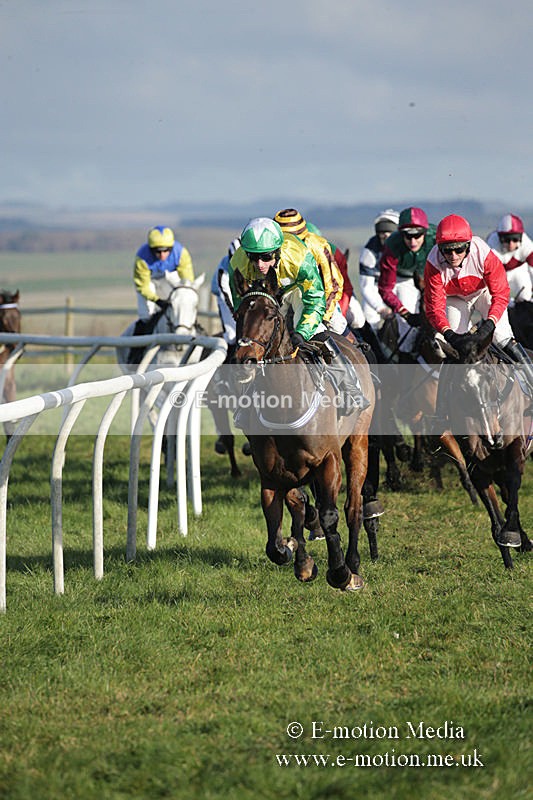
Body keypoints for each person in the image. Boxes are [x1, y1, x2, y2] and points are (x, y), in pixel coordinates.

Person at [229, 217, 366, 415]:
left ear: (277, 251)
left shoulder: (298, 257)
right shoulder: (238, 262)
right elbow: (239, 303)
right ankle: (246, 402)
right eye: (253, 257)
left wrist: (302, 331)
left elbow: (315, 298)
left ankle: (350, 388)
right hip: (267, 296)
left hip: (298, 291)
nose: (259, 264)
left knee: (315, 331)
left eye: (266, 257)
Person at [424, 213, 533, 409]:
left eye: (459, 249)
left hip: (483, 293)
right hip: (454, 299)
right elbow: (434, 309)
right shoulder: (433, 263)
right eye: (447, 251)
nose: (453, 256)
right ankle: (440, 412)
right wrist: (449, 334)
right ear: (439, 248)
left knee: (502, 337)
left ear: (468, 246)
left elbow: (500, 293)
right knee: (451, 350)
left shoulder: (483, 253)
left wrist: (490, 323)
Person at [273, 208, 346, 334]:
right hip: (283, 297)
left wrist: (323, 313)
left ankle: (360, 350)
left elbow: (332, 283)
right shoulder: (272, 249)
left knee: (338, 327)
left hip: (319, 296)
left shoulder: (318, 246)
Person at [378, 207, 437, 357]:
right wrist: (405, 314)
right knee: (408, 331)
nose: (413, 241)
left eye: (417, 235)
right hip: (403, 280)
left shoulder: (436, 238)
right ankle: (406, 368)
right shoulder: (392, 246)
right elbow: (385, 289)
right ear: (400, 234)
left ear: (425, 232)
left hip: (431, 278)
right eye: (407, 236)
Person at [133, 225, 195, 318]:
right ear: (151, 250)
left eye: (166, 251)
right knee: (145, 316)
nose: (162, 255)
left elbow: (187, 280)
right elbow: (143, 286)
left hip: (170, 280)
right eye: (157, 251)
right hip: (149, 282)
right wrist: (157, 300)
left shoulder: (181, 253)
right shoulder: (142, 258)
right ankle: (142, 328)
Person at [359, 209, 399, 330]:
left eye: (390, 230)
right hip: (377, 290)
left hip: (399, 287)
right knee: (369, 317)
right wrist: (381, 308)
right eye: (382, 231)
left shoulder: (407, 247)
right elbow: (367, 286)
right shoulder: (370, 251)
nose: (385, 235)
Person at [486, 213, 533, 305]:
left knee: (526, 298)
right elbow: (489, 274)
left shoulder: (527, 245)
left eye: (515, 239)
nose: (511, 244)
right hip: (498, 274)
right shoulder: (492, 244)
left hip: (519, 271)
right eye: (506, 239)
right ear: (499, 238)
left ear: (521, 237)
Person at [211, 237, 241, 345]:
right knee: (232, 336)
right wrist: (236, 313)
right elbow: (225, 295)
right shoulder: (224, 269)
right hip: (223, 295)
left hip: (239, 291)